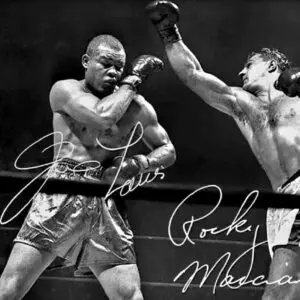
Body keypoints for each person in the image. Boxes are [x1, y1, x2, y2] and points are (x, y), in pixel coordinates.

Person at [0, 34, 176, 300]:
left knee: (130, 295)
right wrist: (133, 79)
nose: (114, 72)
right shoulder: (65, 90)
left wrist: (137, 164)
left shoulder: (136, 106)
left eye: (119, 67)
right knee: (10, 289)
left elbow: (168, 150)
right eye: (106, 63)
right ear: (86, 61)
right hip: (63, 190)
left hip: (106, 198)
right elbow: (102, 117)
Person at [146, 1, 300, 299]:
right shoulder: (244, 106)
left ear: (271, 66)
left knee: (277, 296)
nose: (241, 72)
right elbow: (193, 75)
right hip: (281, 200)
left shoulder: (297, 100)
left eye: (249, 65)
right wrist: (168, 31)